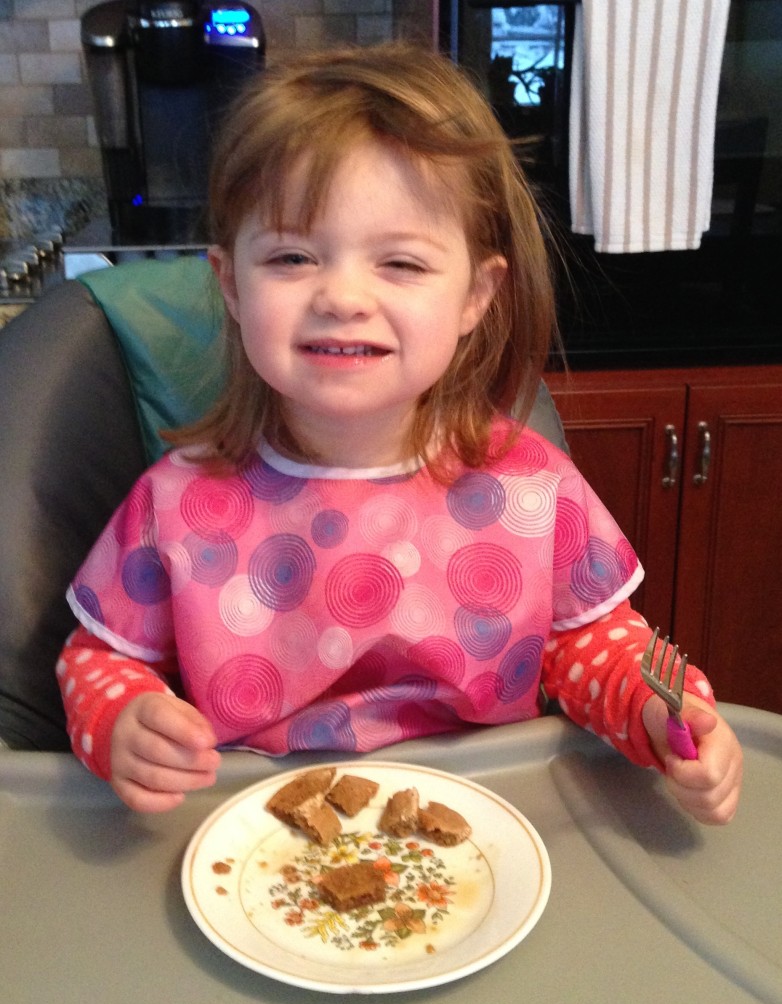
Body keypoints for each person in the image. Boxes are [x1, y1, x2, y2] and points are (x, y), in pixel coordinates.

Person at [56, 42, 742, 823]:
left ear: (476, 296)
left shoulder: (532, 488)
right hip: (257, 829)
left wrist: (660, 712)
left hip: (485, 825)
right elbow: (99, 659)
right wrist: (123, 720)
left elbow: (590, 646)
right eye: (292, 256)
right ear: (231, 285)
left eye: (402, 265)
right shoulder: (175, 501)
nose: (343, 296)